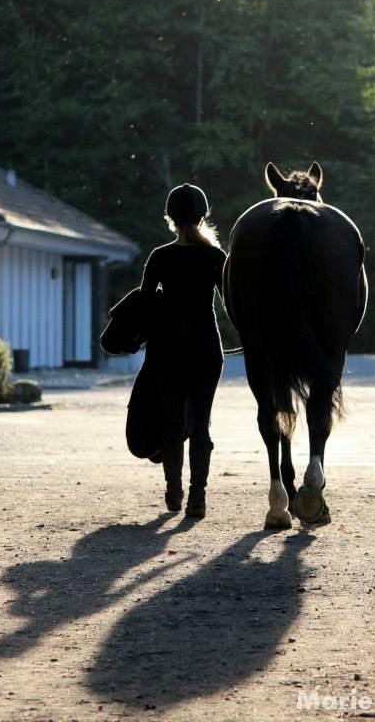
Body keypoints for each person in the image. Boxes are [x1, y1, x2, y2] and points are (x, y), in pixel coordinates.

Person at [139, 183, 226, 518]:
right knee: (201, 426)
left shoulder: (160, 257)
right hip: (206, 348)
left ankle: (173, 493)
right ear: (202, 216)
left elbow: (146, 305)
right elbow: (231, 306)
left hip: (167, 350)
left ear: (169, 217)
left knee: (173, 424)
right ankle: (197, 499)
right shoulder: (216, 257)